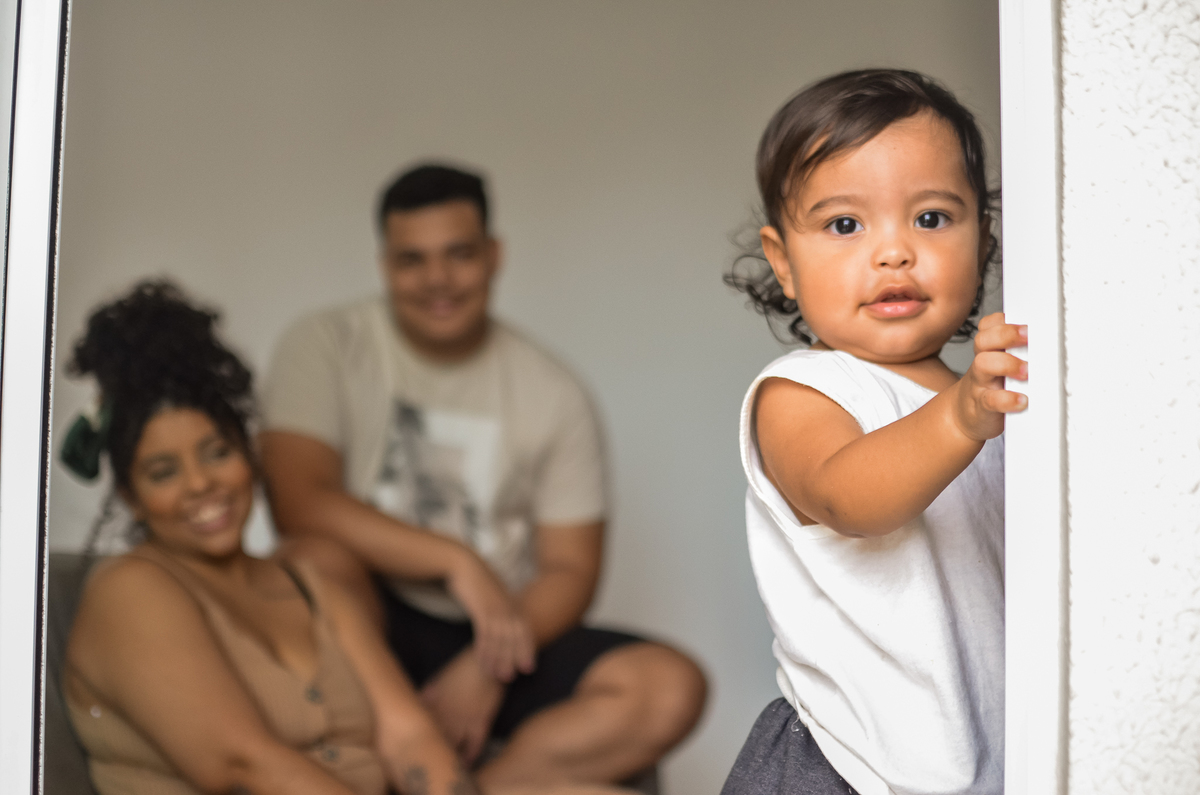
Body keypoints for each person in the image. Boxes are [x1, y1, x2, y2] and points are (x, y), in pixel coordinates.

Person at [59, 281, 624, 795]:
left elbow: (410, 741)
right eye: (164, 472)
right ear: (132, 495)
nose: (201, 484)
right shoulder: (131, 590)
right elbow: (241, 765)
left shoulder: (310, 587)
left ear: (252, 457)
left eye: (217, 453)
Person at [258, 165, 706, 789]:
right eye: (412, 260)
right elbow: (298, 503)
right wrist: (455, 561)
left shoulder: (553, 391)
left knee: (669, 687)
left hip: (499, 630)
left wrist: (488, 666)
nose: (437, 279)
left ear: (494, 257)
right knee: (309, 560)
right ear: (386, 265)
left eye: (459, 255)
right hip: (367, 618)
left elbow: (571, 570)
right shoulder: (326, 344)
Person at [721, 70, 1023, 795]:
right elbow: (850, 494)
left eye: (931, 218)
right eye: (846, 225)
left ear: (981, 240)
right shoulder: (801, 393)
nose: (894, 252)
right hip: (837, 763)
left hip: (971, 762)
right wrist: (961, 418)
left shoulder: (988, 400)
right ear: (784, 262)